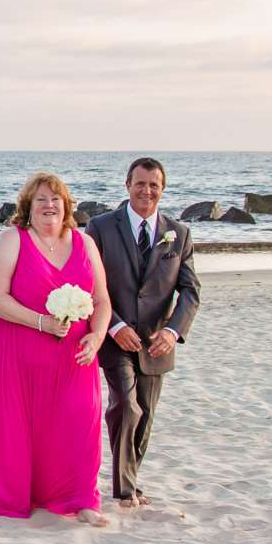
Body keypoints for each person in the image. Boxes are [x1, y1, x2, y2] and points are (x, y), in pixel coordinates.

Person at [0, 172, 111, 525]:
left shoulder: (85, 243)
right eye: (41, 200)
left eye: (56, 199)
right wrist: (40, 322)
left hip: (74, 356)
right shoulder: (12, 240)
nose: (49, 205)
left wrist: (96, 336)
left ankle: (82, 499)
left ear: (66, 206)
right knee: (19, 427)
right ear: (27, 207)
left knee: (80, 421)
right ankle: (20, 495)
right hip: (18, 354)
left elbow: (102, 299)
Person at [86, 158, 200, 508]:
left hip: (156, 342)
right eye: (140, 184)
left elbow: (191, 290)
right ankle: (124, 488)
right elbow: (89, 282)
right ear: (127, 185)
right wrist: (115, 325)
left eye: (154, 185)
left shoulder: (178, 234)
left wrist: (173, 331)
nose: (146, 191)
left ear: (162, 189)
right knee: (126, 404)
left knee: (146, 415)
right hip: (114, 336)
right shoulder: (101, 227)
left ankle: (130, 479)